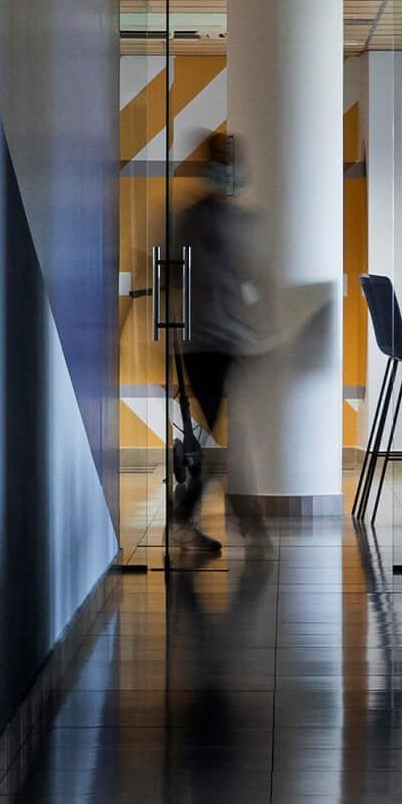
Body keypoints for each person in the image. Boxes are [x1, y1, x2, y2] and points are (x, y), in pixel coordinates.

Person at [168, 132, 266, 557]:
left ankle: (218, 519)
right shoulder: (192, 219)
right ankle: (190, 519)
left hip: (229, 342)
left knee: (225, 439)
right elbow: (174, 276)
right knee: (217, 441)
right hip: (203, 343)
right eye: (223, 162)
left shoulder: (235, 221)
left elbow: (247, 276)